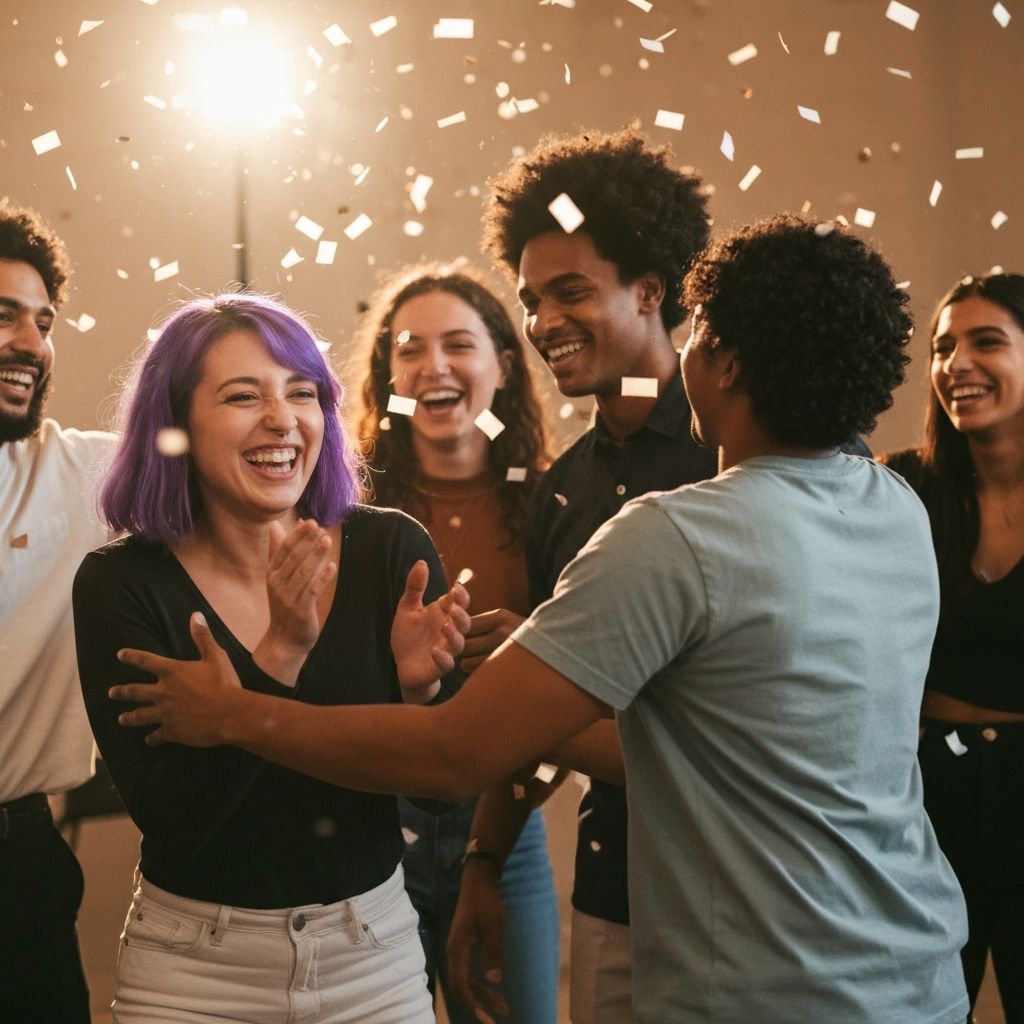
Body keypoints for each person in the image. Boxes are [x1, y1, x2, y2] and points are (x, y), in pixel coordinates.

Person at [110, 214, 971, 1024]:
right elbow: (744, 745)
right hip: (914, 967)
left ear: (732, 363)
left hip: (766, 986)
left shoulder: (675, 534)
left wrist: (238, 711)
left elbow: (453, 758)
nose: (686, 344)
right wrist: (527, 669)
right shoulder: (892, 504)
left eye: (699, 326)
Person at [72, 292, 469, 1024]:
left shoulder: (391, 552)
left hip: (370, 955)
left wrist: (419, 699)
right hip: (193, 971)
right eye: (242, 396)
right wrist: (281, 652)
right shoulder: (122, 585)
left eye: (303, 393)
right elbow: (175, 822)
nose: (284, 420)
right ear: (176, 424)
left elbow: (445, 795)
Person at [453, 126, 718, 1023]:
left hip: (745, 896)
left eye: (571, 292)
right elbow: (540, 704)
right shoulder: (563, 491)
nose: (541, 324)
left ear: (651, 291)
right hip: (611, 896)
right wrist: (486, 858)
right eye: (530, 300)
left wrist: (508, 687)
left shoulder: (733, 456)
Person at [353, 261, 559, 1024]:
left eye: (458, 345)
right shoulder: (352, 510)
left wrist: (488, 849)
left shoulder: (549, 504)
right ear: (389, 377)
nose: (432, 365)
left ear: (504, 365)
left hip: (506, 834)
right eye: (409, 348)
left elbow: (573, 698)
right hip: (370, 833)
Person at [881, 272, 1024, 1022]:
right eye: (942, 348)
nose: (955, 364)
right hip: (926, 794)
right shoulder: (899, 490)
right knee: (920, 1007)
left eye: (986, 342)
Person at [0, 201, 114, 1022]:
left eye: (43, 322)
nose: (32, 345)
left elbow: (241, 437)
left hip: (18, 873)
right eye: (2, 317)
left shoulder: (79, 477)